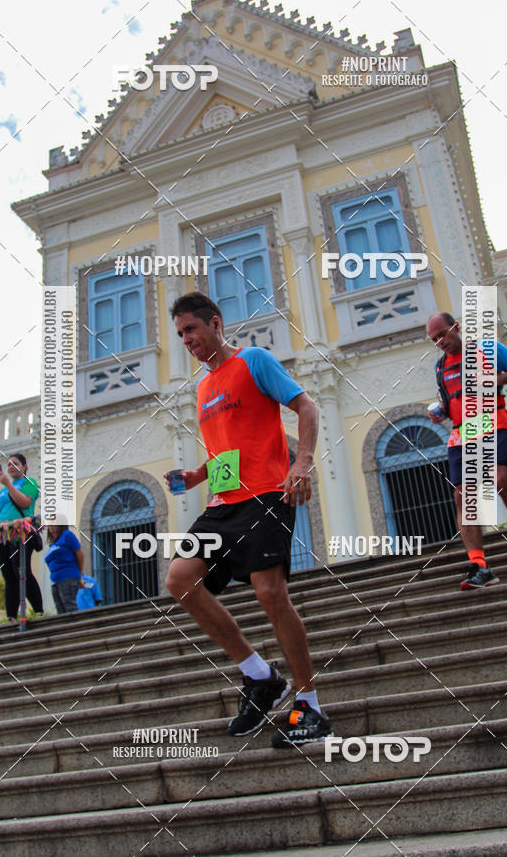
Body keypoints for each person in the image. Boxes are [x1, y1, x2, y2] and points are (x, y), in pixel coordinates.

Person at [165, 292, 331, 748]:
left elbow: (307, 407)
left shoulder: (253, 360)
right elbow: (227, 451)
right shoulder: (203, 388)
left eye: (191, 329)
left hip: (266, 495)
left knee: (270, 593)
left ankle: (310, 705)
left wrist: (302, 462)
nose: (186, 340)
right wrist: (197, 475)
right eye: (180, 334)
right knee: (180, 579)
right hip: (223, 504)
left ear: (215, 323)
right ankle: (260, 676)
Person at [426, 311, 507, 589]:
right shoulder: (440, 366)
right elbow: (451, 401)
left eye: (442, 334)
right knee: (462, 495)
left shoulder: (486, 348)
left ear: (456, 327)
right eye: (434, 339)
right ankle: (480, 566)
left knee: (501, 478)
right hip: (463, 433)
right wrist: (441, 411)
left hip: (494, 422)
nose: (440, 342)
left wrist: (495, 381)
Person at [0, 454, 43, 622]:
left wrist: (8, 484)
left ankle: (38, 610)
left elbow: (25, 503)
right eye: (8, 464)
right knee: (8, 575)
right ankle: (11, 616)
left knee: (21, 570)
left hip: (21, 532)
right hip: (2, 535)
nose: (11, 466)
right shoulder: (1, 492)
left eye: (15, 463)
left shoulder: (29, 483)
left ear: (24, 466)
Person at [44, 525, 86, 614]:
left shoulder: (67, 535)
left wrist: (80, 575)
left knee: (70, 607)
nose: (51, 527)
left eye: (53, 524)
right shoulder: (53, 544)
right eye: (49, 525)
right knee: (60, 611)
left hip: (68, 577)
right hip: (55, 581)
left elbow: (80, 555)